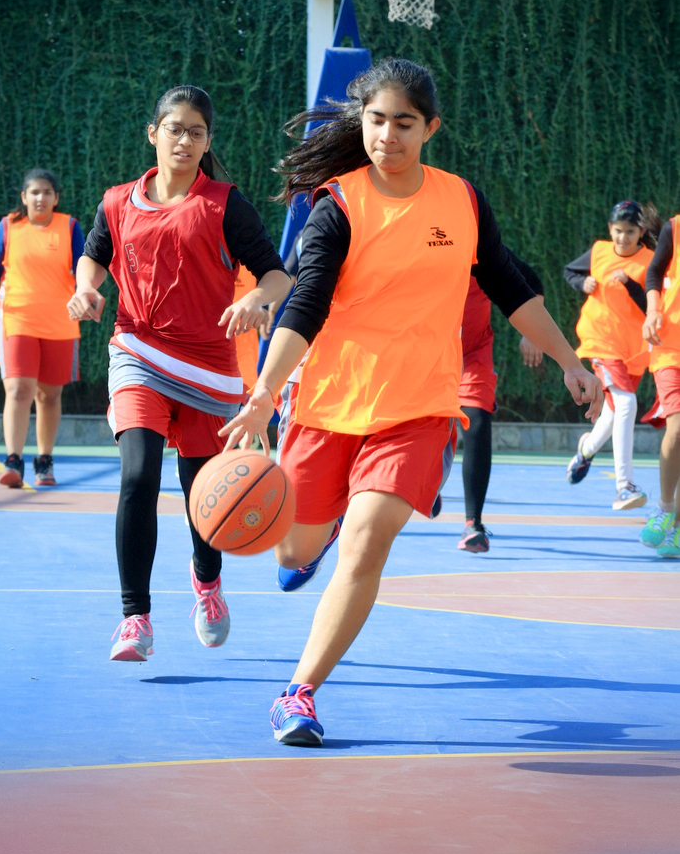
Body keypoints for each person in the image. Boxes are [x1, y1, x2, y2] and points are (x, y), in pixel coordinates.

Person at [220, 58, 602, 747]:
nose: (387, 135)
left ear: (430, 128)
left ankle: (298, 692)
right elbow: (305, 301)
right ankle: (318, 530)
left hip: (418, 409)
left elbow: (511, 286)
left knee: (366, 544)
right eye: (374, 120)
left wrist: (571, 361)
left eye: (402, 122)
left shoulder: (459, 200)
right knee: (290, 554)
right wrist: (262, 395)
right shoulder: (337, 203)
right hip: (326, 405)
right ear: (358, 122)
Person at [67, 85, 290, 661]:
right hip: (137, 353)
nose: (184, 140)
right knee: (138, 477)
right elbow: (93, 253)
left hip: (209, 371)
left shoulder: (224, 203)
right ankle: (134, 618)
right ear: (153, 133)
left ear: (207, 140)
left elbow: (276, 274)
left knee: (205, 495)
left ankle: (207, 584)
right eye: (175, 129)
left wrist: (256, 302)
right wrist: (85, 288)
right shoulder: (117, 201)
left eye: (196, 132)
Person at [440, 255, 545, 552]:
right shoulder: (419, 242)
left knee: (477, 422)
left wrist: (531, 332)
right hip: (427, 353)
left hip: (473, 354)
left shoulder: (483, 247)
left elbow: (531, 283)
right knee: (428, 431)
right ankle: (429, 484)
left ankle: (473, 524)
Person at [563, 201, 659, 510]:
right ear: (610, 230)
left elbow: (652, 307)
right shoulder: (599, 252)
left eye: (630, 232)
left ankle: (586, 450)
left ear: (641, 232)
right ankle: (624, 486)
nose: (623, 238)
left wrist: (631, 285)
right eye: (618, 231)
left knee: (614, 412)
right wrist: (583, 283)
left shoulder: (650, 261)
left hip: (633, 349)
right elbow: (569, 272)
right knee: (627, 403)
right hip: (600, 341)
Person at [0, 168, 84, 488]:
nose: (41, 198)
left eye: (47, 192)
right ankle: (14, 460)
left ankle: (44, 461)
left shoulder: (70, 227)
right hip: (16, 319)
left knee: (49, 395)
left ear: (56, 198)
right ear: (24, 197)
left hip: (60, 323)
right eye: (34, 192)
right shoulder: (8, 227)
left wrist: (88, 295)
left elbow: (85, 268)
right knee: (19, 389)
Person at [639, 207, 680, 555]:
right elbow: (654, 271)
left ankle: (678, 526)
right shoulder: (675, 228)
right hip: (671, 348)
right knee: (678, 428)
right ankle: (665, 508)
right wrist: (653, 311)